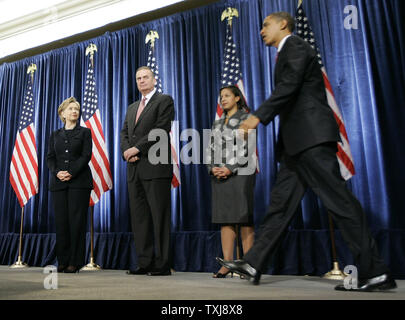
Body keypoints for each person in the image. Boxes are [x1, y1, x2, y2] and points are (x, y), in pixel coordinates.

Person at [218, 12, 397, 292]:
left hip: (311, 140)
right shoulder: (285, 52)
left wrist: (258, 116)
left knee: (339, 202)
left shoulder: (297, 46)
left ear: (283, 24)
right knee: (280, 207)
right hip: (295, 147)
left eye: (266, 25)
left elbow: (289, 87)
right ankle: (254, 263)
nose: (261, 30)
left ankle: (376, 272)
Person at [120, 66, 174, 276]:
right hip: (134, 167)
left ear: (153, 79)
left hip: (156, 167)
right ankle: (145, 262)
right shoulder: (132, 107)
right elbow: (125, 132)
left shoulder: (164, 100)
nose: (141, 81)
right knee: (139, 217)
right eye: (138, 78)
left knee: (159, 216)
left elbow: (161, 129)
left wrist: (137, 148)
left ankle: (162, 264)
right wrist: (127, 151)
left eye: (145, 77)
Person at [206, 85, 256, 278]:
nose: (223, 99)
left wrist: (230, 168)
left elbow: (247, 148)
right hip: (219, 174)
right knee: (225, 218)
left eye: (227, 96)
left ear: (237, 98)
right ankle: (228, 264)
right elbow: (210, 149)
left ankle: (247, 264)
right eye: (221, 96)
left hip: (241, 173)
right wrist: (213, 168)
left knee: (243, 218)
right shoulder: (217, 124)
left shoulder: (247, 118)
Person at [46, 97, 93, 273]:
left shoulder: (85, 132)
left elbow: (86, 155)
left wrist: (71, 172)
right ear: (62, 113)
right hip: (58, 183)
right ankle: (63, 260)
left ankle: (75, 261)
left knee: (76, 222)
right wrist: (57, 172)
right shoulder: (55, 135)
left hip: (79, 183)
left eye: (77, 109)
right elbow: (50, 157)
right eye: (71, 109)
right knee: (62, 223)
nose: (75, 111)